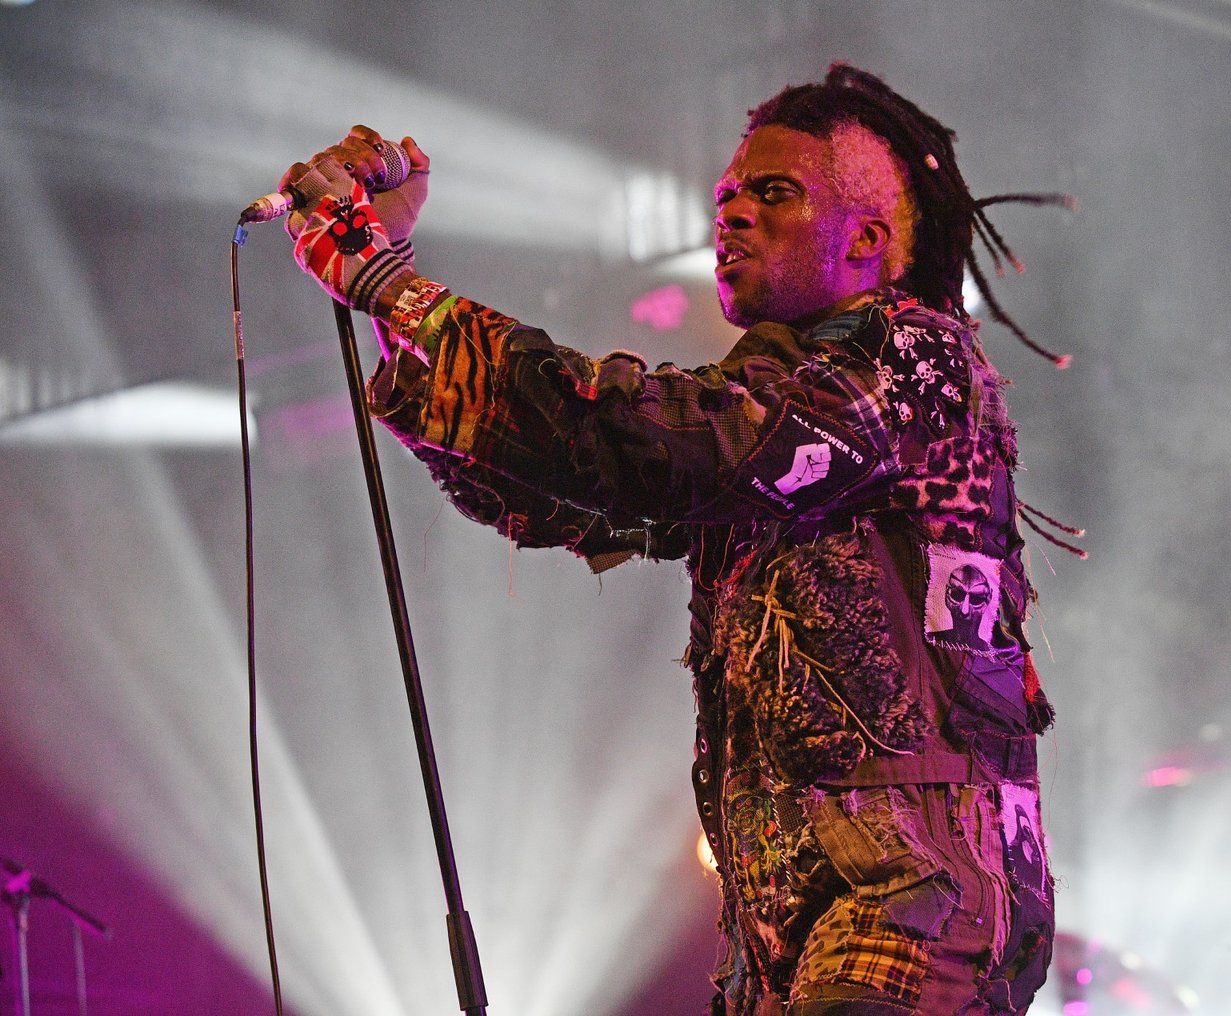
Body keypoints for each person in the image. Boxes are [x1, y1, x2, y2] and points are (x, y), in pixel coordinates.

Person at [280, 62, 1078, 1015]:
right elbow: (560, 493)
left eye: (774, 194)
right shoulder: (777, 403)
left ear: (867, 239)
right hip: (790, 938)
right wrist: (391, 313)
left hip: (918, 906)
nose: (732, 215)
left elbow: (669, 441)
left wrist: (387, 285)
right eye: (729, 196)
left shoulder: (917, 358)